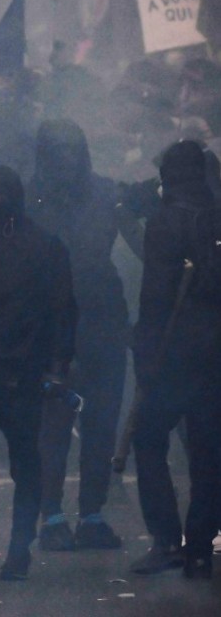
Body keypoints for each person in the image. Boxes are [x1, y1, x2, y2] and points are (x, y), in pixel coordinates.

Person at [0, 165, 77, 581]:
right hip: (12, 376)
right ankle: (13, 549)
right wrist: (57, 369)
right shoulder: (43, 245)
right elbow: (63, 312)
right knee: (23, 463)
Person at [28, 120, 127, 551]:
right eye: (59, 150)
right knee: (52, 426)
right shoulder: (29, 200)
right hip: (52, 326)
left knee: (101, 423)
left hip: (102, 320)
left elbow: (144, 242)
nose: (67, 158)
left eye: (73, 149)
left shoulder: (105, 193)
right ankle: (51, 516)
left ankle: (91, 514)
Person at [129, 141, 221, 579]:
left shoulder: (166, 223)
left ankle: (167, 540)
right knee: (208, 452)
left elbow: (155, 299)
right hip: (216, 357)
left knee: (147, 438)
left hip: (174, 357)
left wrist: (144, 358)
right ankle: (200, 548)